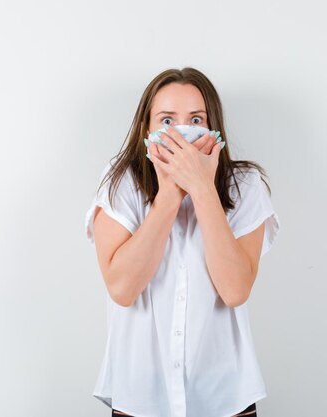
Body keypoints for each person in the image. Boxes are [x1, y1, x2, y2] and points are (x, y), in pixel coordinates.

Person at [85, 67, 280, 417]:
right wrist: (170, 193)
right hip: (140, 395)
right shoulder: (121, 182)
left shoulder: (245, 184)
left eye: (195, 119)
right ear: (147, 128)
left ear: (213, 127)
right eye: (166, 120)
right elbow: (122, 288)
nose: (181, 131)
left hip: (226, 396)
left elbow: (235, 290)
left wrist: (202, 187)